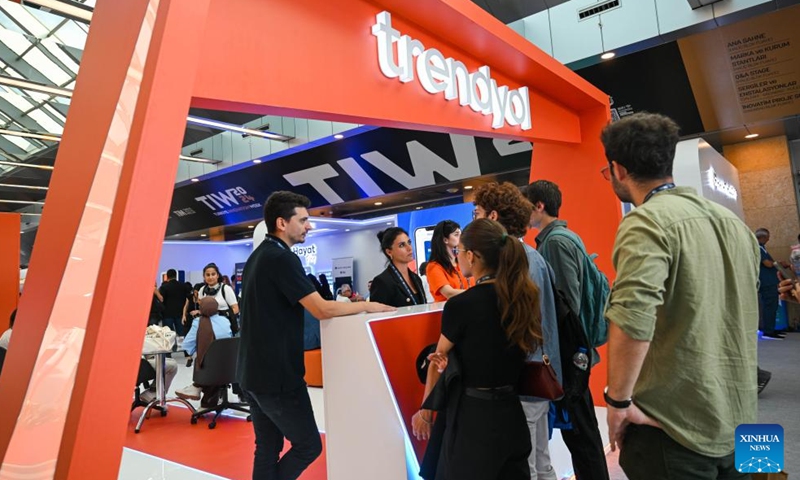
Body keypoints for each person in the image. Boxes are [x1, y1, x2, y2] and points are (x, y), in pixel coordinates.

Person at [600, 112, 759, 479]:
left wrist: (618, 402)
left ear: (618, 169)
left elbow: (632, 319)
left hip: (673, 427)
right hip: (743, 421)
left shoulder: (646, 221)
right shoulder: (733, 223)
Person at [237, 191, 393, 480]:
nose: (310, 226)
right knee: (308, 445)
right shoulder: (281, 259)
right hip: (278, 376)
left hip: (253, 373)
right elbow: (321, 308)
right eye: (304, 220)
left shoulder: (259, 257)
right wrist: (367, 304)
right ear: (282, 223)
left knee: (267, 448)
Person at [412, 218, 540, 479]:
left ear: (471, 256)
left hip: (474, 419)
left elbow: (439, 359)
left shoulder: (462, 306)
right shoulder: (522, 296)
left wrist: (426, 411)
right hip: (512, 413)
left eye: (459, 251)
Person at [473, 181, 561, 480]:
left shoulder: (514, 262)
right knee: (540, 460)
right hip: (538, 373)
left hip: (524, 377)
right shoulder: (531, 256)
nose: (474, 220)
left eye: (478, 213)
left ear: (493, 216)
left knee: (527, 467)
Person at [525, 180, 610, 480]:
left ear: (539, 206)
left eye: (527, 206)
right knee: (581, 430)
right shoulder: (563, 237)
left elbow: (564, 306)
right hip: (575, 355)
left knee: (580, 434)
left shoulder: (555, 242)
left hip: (571, 356)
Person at [175, 297, 234, 406]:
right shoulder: (225, 320)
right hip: (229, 362)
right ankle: (204, 397)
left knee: (201, 356)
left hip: (210, 365)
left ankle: (197, 385)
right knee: (212, 358)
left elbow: (187, 345)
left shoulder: (198, 322)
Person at [369, 227, 427, 308]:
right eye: (402, 245)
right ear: (389, 252)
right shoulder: (382, 282)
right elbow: (378, 317)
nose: (409, 248)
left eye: (409, 242)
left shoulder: (416, 278)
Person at [425, 220, 472, 302]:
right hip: (448, 311)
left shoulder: (462, 262)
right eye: (456, 234)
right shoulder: (434, 267)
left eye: (461, 234)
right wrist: (476, 293)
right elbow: (449, 293)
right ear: (445, 240)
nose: (461, 237)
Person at [193, 263, 240, 335]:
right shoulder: (202, 290)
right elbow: (202, 307)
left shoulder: (226, 289)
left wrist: (220, 315)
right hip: (207, 328)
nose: (210, 277)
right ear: (204, 276)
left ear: (217, 275)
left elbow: (236, 309)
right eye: (207, 275)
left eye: (213, 274)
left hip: (225, 327)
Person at [756, 228, 783, 339]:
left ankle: (771, 329)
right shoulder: (758, 248)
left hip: (770, 281)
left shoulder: (763, 248)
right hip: (766, 282)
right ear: (762, 237)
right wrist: (777, 264)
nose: (769, 238)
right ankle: (768, 331)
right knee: (769, 306)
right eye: (767, 237)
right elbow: (767, 263)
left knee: (772, 306)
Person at [159, 269, 189, 337]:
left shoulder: (164, 287)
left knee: (168, 334)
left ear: (167, 276)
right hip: (180, 313)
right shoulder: (183, 286)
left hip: (167, 313)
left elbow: (161, 299)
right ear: (176, 275)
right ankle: (181, 346)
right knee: (181, 334)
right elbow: (187, 298)